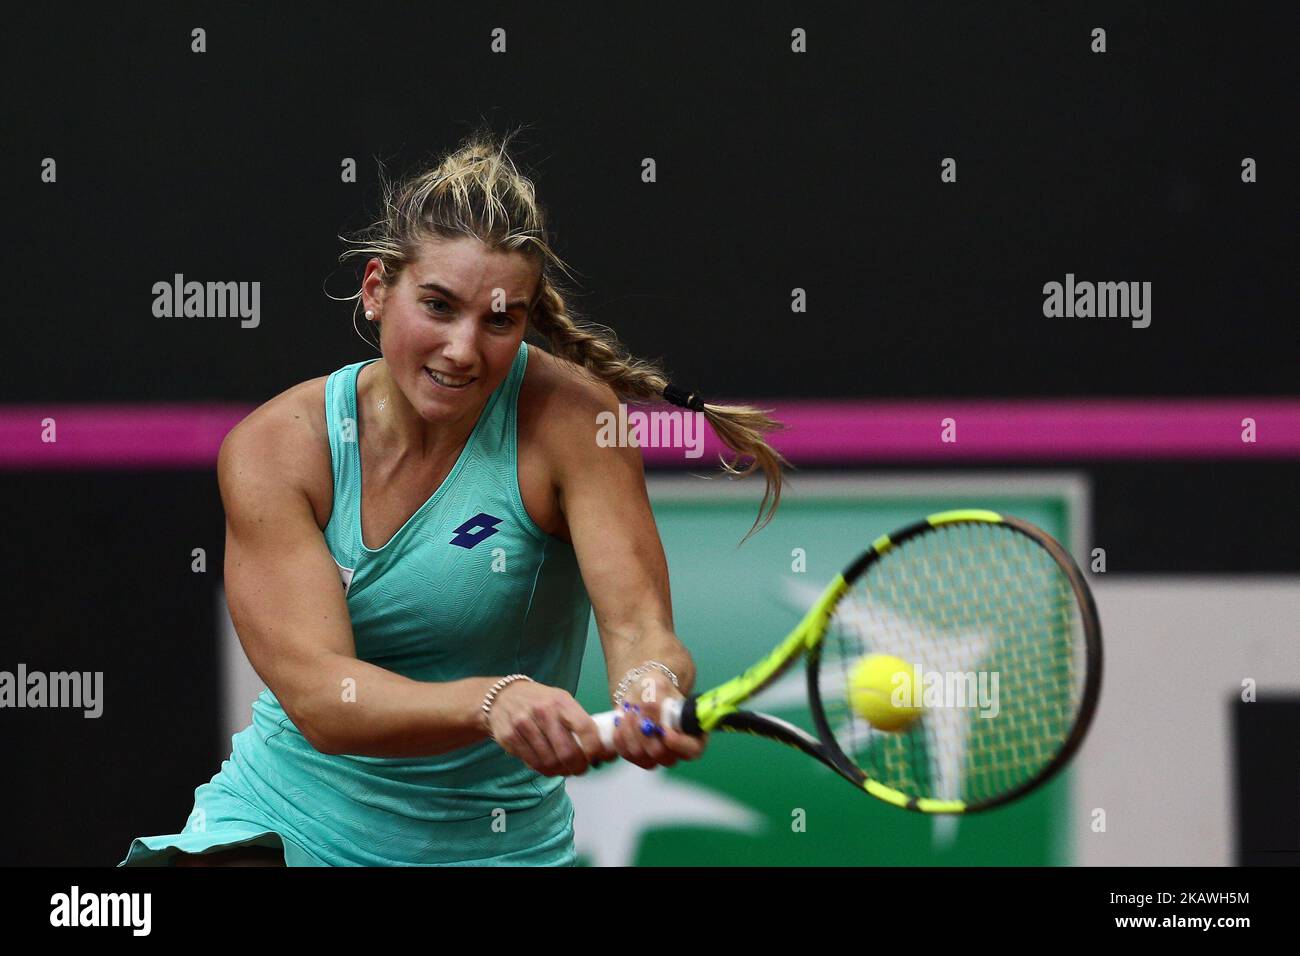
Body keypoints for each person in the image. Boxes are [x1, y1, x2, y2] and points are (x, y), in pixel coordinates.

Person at [118, 128, 787, 866]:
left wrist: (649, 686)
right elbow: (321, 696)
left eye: (499, 320)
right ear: (377, 290)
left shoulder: (572, 422)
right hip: (284, 828)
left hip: (501, 851)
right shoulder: (277, 448)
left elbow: (639, 628)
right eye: (438, 306)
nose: (464, 349)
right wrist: (492, 700)